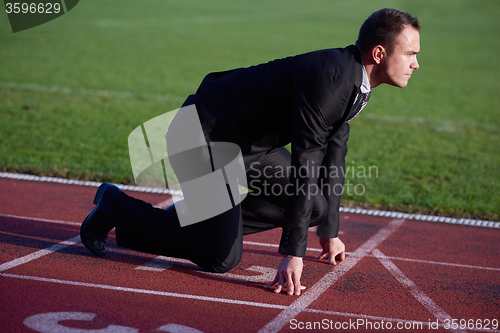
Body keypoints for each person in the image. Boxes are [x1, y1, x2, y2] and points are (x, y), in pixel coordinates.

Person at [80, 8, 420, 296]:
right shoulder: (333, 78)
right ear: (379, 54)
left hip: (250, 148)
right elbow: (307, 161)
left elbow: (335, 153)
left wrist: (329, 230)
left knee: (314, 206)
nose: (415, 64)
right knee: (220, 257)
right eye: (410, 54)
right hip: (203, 138)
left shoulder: (353, 80)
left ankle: (209, 222)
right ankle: (117, 207)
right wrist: (293, 252)